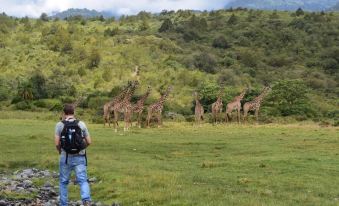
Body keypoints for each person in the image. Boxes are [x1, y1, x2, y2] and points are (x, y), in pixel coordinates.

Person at [55, 104, 92, 206]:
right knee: (83, 180)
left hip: (65, 157)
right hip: (80, 156)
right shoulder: (81, 124)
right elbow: (89, 141)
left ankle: (64, 204)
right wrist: (81, 149)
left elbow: (57, 143)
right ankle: (86, 200)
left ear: (64, 113)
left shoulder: (59, 125)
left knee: (63, 182)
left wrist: (60, 152)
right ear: (74, 112)